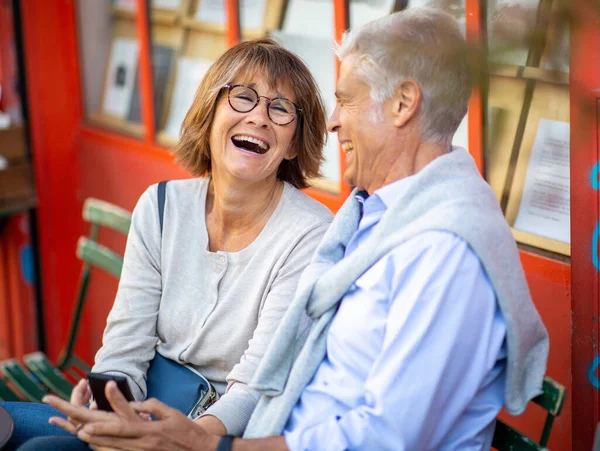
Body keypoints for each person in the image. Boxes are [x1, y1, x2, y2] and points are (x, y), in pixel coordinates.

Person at [37, 7, 549, 451]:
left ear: (402, 104)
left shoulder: (442, 250)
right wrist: (114, 398)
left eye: (345, 100)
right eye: (242, 99)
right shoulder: (377, 218)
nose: (332, 123)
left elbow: (388, 437)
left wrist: (210, 446)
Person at [3, 38, 333, 450]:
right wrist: (112, 406)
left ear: (296, 143)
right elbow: (126, 343)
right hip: (144, 405)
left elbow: (259, 383)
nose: (260, 117)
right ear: (210, 112)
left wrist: (185, 437)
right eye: (243, 97)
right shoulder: (162, 205)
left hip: (218, 434)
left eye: (281, 109)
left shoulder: (310, 233)